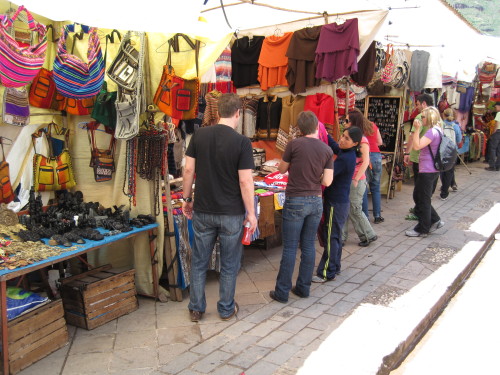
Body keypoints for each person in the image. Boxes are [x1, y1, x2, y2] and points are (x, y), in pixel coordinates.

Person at [182, 93, 257, 322]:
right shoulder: (242, 142)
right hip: (231, 213)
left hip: (203, 210)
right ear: (237, 114)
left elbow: (187, 170)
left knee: (199, 261)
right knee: (229, 262)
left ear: (216, 112)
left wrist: (186, 199)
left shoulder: (200, 135)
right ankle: (225, 308)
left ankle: (196, 308)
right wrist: (251, 213)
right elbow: (245, 181)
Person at [269, 111, 333, 303]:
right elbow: (328, 181)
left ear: (299, 128)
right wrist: (315, 177)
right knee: (308, 246)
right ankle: (304, 287)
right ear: (316, 127)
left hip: (296, 199)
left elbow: (281, 169)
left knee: (289, 247)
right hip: (315, 200)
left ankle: (282, 291)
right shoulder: (326, 150)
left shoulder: (293, 145)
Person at [312, 127, 362, 283]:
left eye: (346, 138)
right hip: (339, 201)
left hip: (336, 202)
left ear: (355, 143)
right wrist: (325, 132)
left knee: (331, 236)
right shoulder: (347, 153)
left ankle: (327, 272)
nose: (342, 139)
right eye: (342, 135)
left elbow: (328, 176)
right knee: (335, 235)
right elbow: (335, 146)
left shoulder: (345, 159)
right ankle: (336, 265)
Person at [405, 106, 445, 237]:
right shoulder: (438, 130)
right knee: (420, 196)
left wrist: (416, 130)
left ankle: (422, 228)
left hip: (428, 169)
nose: (421, 119)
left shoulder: (431, 132)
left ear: (429, 117)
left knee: (422, 198)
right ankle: (435, 220)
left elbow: (417, 146)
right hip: (431, 169)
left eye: (423, 116)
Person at [342, 110, 377, 247]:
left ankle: (368, 235)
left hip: (356, 179)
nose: (343, 123)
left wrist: (356, 179)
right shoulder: (349, 138)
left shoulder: (362, 140)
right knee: (345, 207)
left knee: (354, 209)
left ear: (353, 122)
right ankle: (341, 236)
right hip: (349, 178)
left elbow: (366, 161)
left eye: (346, 121)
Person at [347, 108, 385, 224]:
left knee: (363, 189)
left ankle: (365, 217)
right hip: (376, 157)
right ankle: (377, 215)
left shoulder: (356, 130)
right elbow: (380, 142)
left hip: (364, 158)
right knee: (376, 187)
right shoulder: (372, 125)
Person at [404, 93, 433, 220]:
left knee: (419, 190)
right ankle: (420, 210)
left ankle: (420, 213)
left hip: (420, 158)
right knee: (425, 190)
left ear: (424, 104)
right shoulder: (438, 118)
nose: (416, 108)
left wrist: (407, 152)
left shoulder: (421, 117)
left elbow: (412, 137)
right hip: (432, 161)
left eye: (417, 104)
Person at [439, 108, 462, 199]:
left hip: (441, 150)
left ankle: (444, 186)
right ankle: (444, 193)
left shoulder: (441, 125)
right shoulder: (456, 126)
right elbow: (459, 140)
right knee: (449, 171)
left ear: (443, 115)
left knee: (441, 170)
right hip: (452, 151)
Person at [485, 101, 500, 171]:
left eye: (496, 107)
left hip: (497, 132)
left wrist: (493, 133)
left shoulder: (499, 113)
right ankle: (498, 166)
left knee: (492, 148)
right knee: (499, 150)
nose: (495, 108)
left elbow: (497, 124)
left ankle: (492, 166)